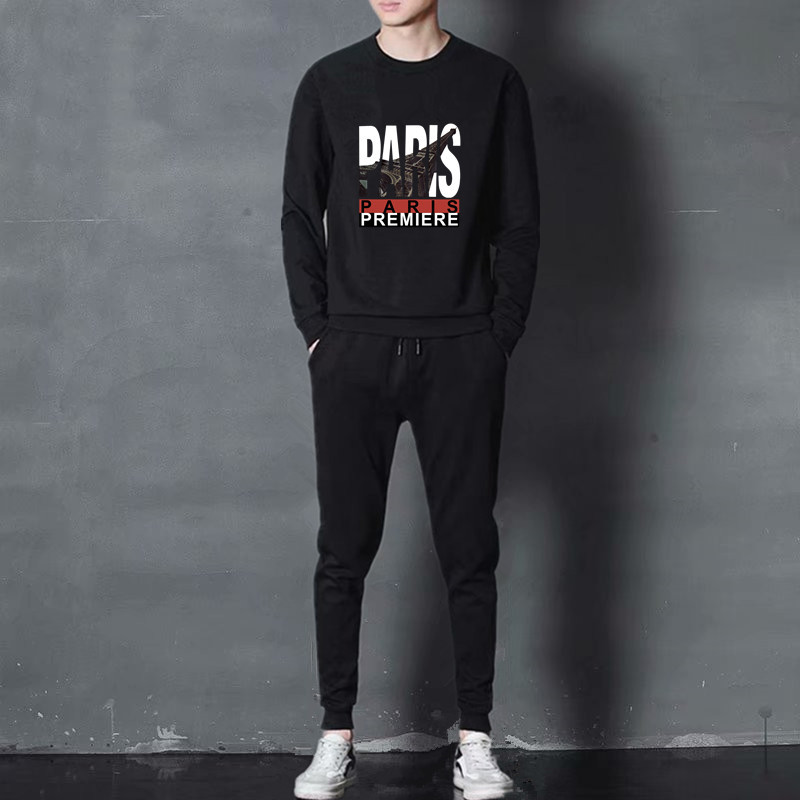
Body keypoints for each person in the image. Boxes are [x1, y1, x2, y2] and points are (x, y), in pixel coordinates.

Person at [281, 1, 540, 797]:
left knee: (469, 549)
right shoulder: (330, 83)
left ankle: (475, 740)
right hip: (354, 350)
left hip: (461, 349)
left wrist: (497, 337)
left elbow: (519, 223)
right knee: (342, 548)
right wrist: (319, 333)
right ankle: (335, 735)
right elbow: (300, 215)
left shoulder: (492, 84)